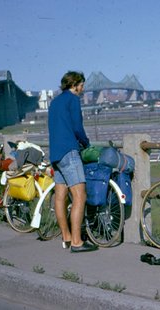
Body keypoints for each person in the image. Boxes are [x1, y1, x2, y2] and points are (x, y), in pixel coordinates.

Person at [48, 71, 98, 253]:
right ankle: (77, 242)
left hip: (55, 154)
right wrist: (86, 143)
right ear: (75, 84)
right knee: (80, 195)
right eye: (82, 85)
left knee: (60, 196)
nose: (83, 89)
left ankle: (67, 237)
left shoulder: (54, 102)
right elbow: (77, 127)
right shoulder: (73, 99)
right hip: (69, 152)